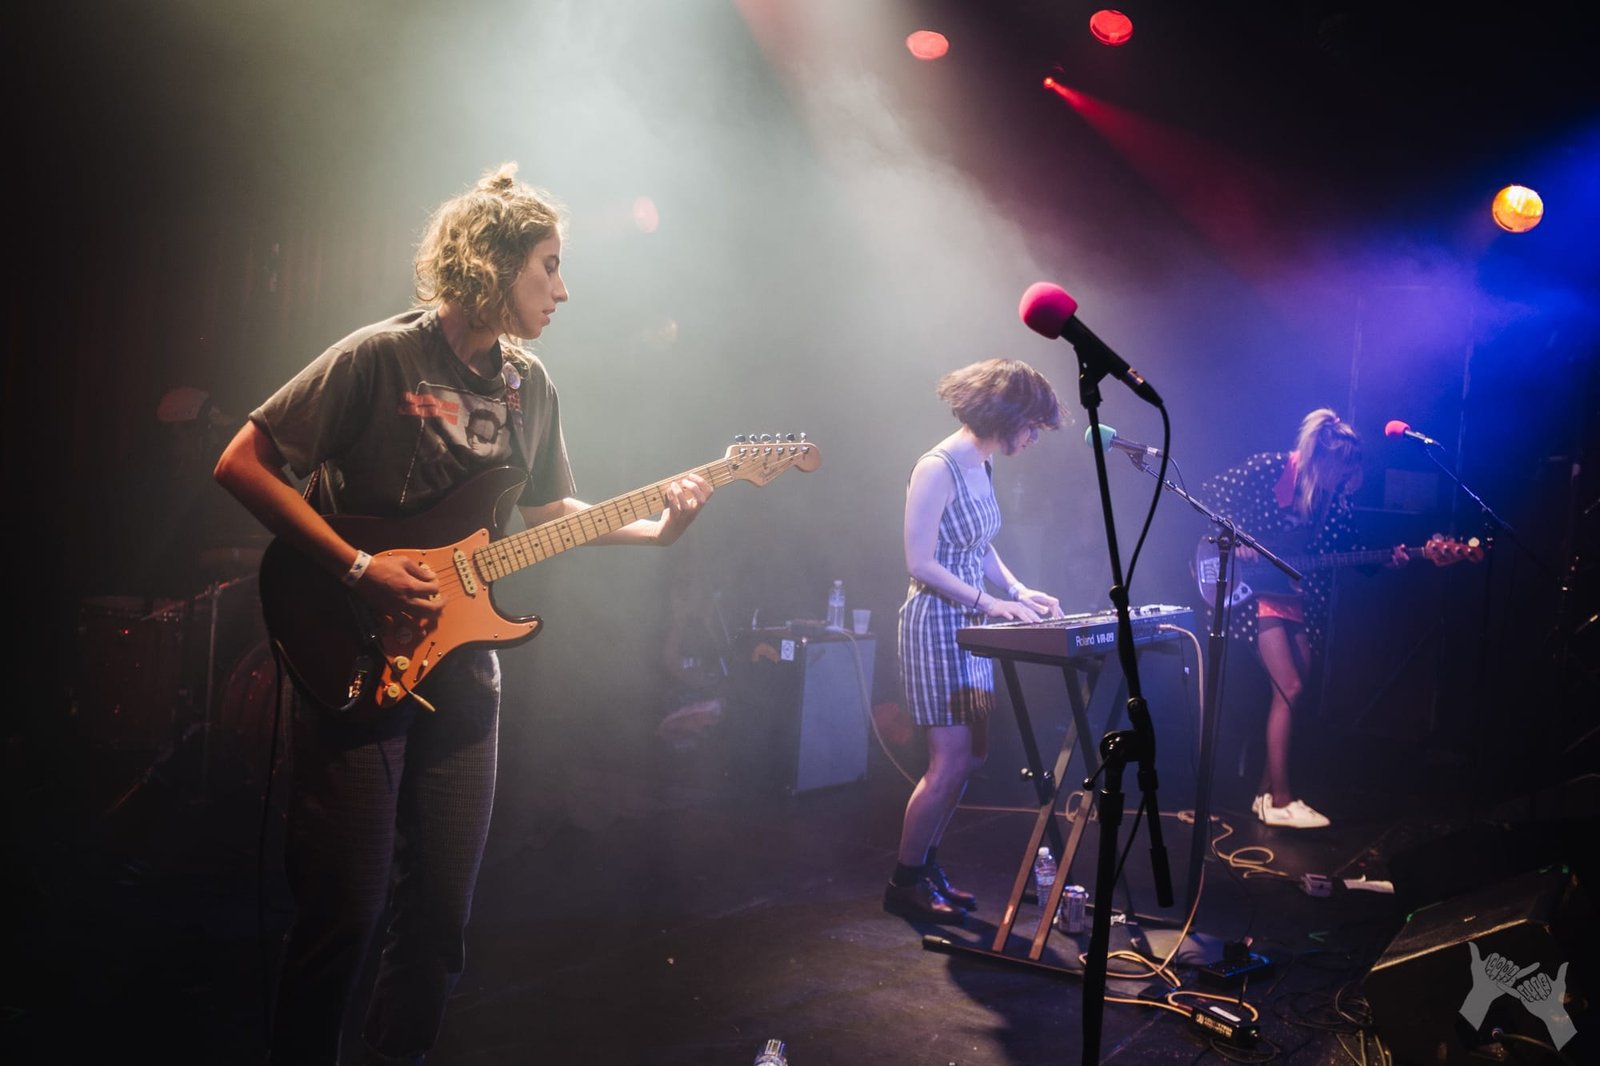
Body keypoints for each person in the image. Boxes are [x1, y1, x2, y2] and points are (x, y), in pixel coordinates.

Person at [212, 163, 713, 1065]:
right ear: (491, 266)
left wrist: (658, 533)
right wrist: (359, 566)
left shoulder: (530, 384)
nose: (564, 289)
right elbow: (242, 463)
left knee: (441, 914)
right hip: (351, 647)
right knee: (347, 909)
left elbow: (550, 513)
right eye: (548, 267)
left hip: (465, 666)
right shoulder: (381, 356)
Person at [884, 358, 1067, 925]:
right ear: (1006, 415)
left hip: (971, 630)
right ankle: (904, 881)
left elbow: (980, 543)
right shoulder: (937, 467)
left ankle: (928, 865)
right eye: (1032, 425)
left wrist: (1018, 589)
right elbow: (921, 561)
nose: (1034, 438)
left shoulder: (981, 464)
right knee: (949, 761)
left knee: (974, 757)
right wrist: (992, 604)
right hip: (937, 627)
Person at [1199, 408, 1406, 830]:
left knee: (1298, 683)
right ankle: (1281, 798)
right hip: (1252, 591)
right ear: (1323, 459)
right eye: (1341, 470)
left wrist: (1391, 560)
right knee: (1289, 685)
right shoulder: (1271, 468)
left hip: (1290, 595)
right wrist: (1237, 540)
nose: (1345, 479)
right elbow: (1210, 495)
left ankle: (1263, 796)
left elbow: (1350, 550)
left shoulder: (1334, 500)